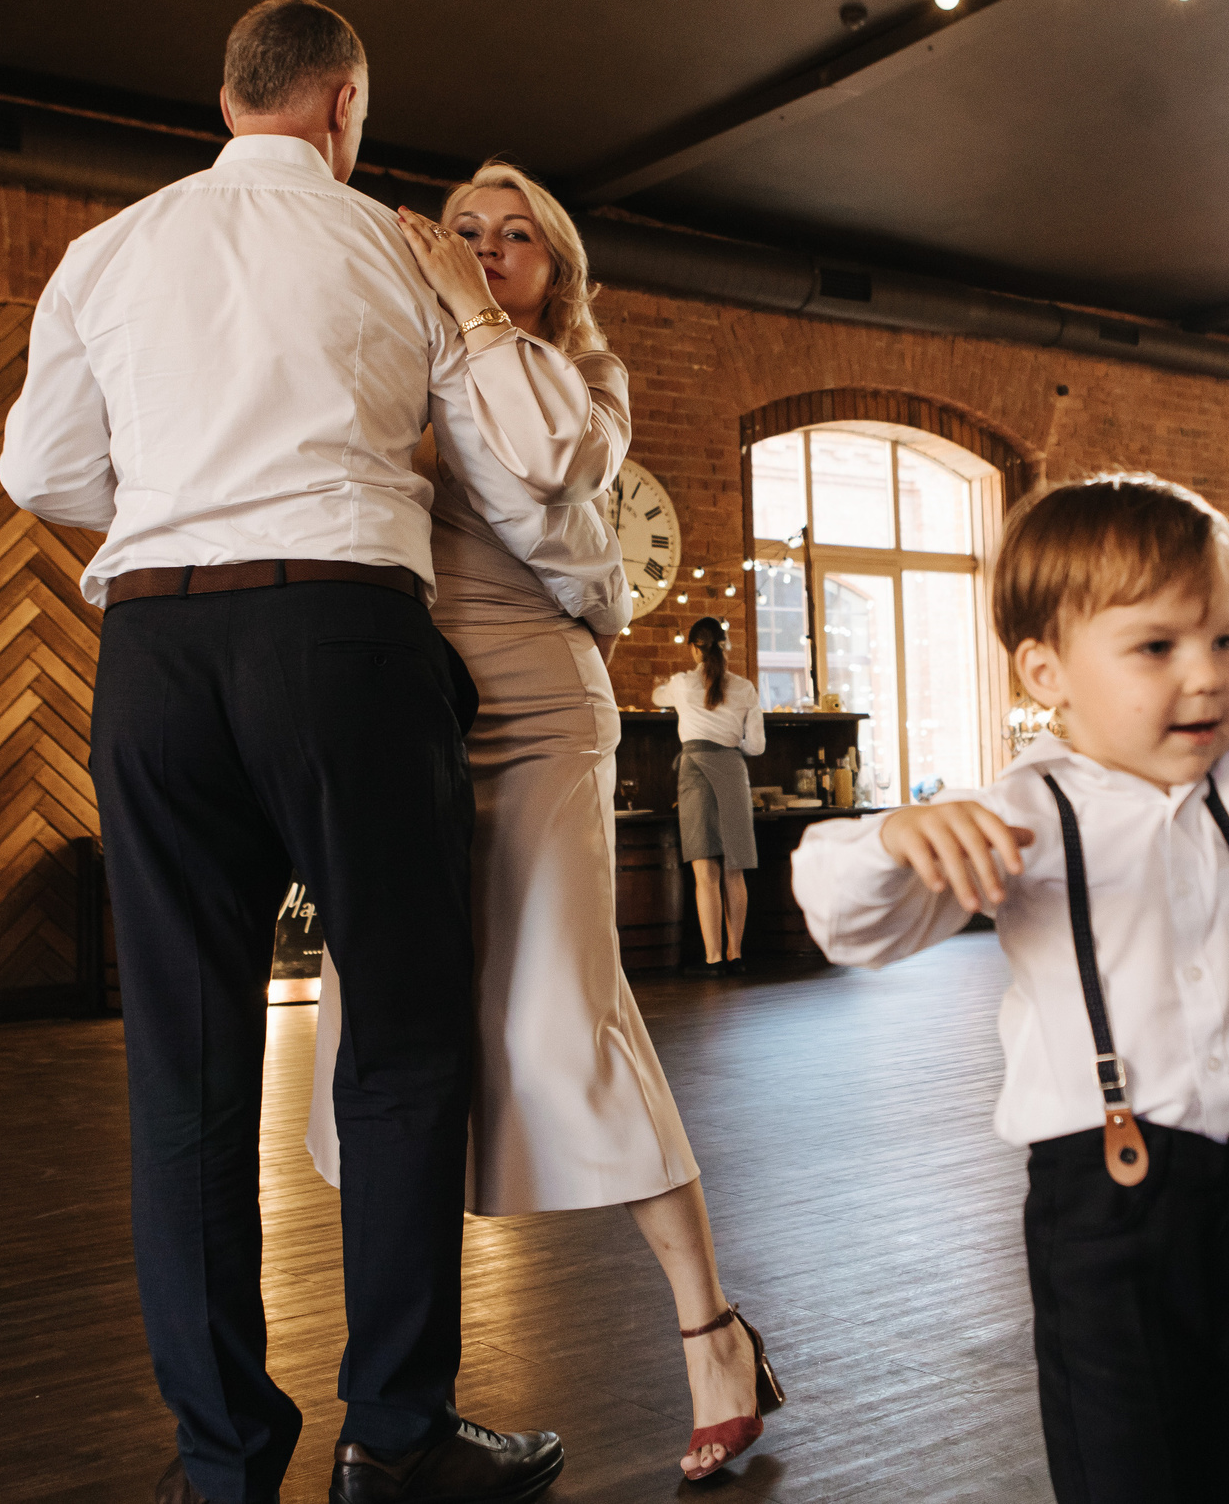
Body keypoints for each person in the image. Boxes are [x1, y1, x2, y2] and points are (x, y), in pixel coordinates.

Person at [1, 0, 596, 1504]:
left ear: (228, 100)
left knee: (185, 1066)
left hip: (153, 650)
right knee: (400, 1040)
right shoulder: (394, 245)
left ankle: (222, 1463)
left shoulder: (108, 249)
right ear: (344, 108)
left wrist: (185, 499)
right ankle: (395, 1435)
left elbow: (39, 469)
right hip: (340, 635)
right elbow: (518, 470)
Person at [795, 449, 1229, 1504]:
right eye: (1156, 646)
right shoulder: (1023, 813)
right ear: (1044, 671)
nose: (1208, 673)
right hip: (1106, 1209)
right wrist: (891, 841)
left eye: (1225, 638)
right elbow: (849, 924)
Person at [304, 164, 783, 1484]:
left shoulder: (585, 374)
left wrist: (472, 320)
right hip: (408, 703)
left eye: (515, 235)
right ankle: (402, 1403)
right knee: (383, 1023)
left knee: (572, 1013)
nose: (485, 245)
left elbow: (547, 469)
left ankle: (710, 1331)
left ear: (554, 269)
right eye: (464, 228)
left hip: (539, 707)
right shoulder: (396, 360)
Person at [652, 617, 766, 974]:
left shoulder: (681, 684)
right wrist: (732, 747)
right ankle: (736, 954)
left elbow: (656, 698)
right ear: (725, 646)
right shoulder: (745, 688)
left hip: (695, 770)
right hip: (733, 770)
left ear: (693, 648)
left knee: (706, 873)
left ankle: (713, 959)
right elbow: (757, 746)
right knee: (735, 870)